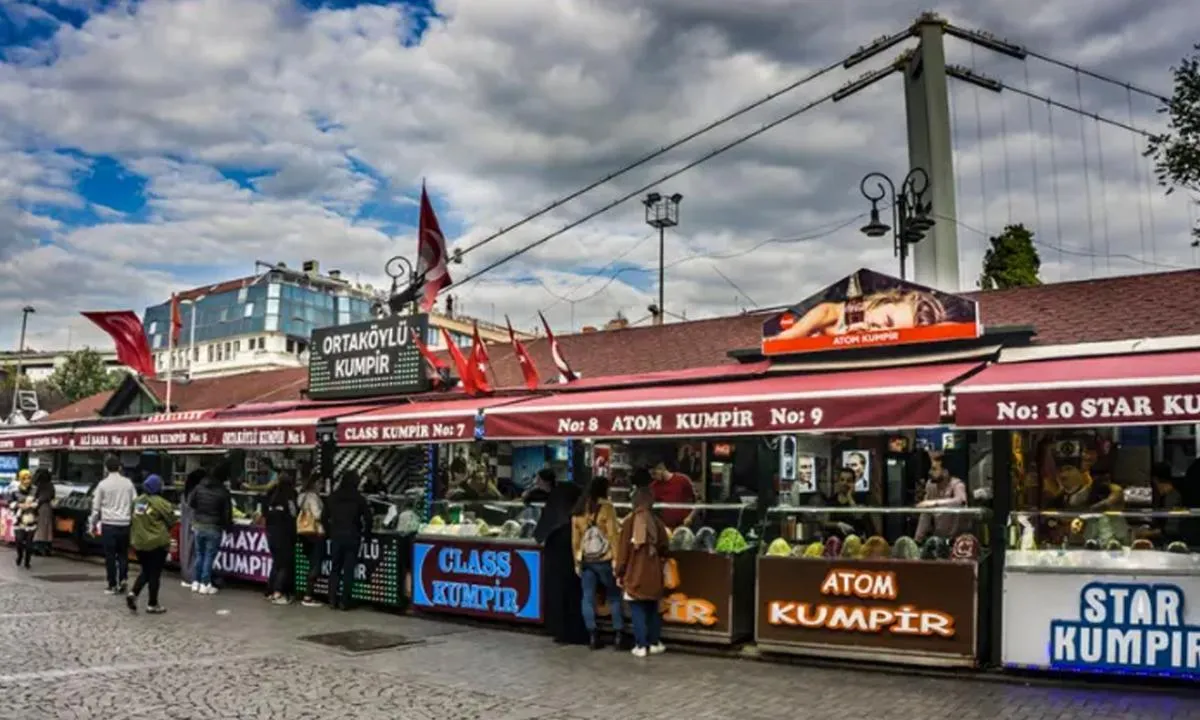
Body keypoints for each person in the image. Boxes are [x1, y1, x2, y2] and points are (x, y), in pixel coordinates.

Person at [615, 486, 669, 658]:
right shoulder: (657, 521)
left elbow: (623, 551)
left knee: (637, 609)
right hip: (654, 573)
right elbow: (664, 546)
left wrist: (619, 572)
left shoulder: (629, 522)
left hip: (634, 572)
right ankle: (654, 642)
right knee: (653, 608)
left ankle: (641, 645)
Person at [571, 476, 624, 650]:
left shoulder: (578, 509)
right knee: (614, 597)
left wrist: (577, 562)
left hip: (586, 560)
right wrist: (617, 559)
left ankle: (593, 635)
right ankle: (618, 636)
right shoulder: (607, 508)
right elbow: (613, 535)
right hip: (604, 560)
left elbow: (575, 541)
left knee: (587, 598)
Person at [535, 470, 587, 644]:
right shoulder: (570, 507)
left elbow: (542, 530)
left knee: (559, 593)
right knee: (574, 593)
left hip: (556, 555)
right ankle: (576, 631)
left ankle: (561, 631)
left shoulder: (555, 504)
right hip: (572, 557)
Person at [774, 288, 948, 339]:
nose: (881, 328)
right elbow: (827, 311)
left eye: (892, 331)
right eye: (887, 320)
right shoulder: (859, 310)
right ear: (884, 302)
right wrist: (797, 332)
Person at [126, 474, 176, 614]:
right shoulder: (161, 503)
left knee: (146, 571)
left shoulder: (137, 501)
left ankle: (133, 593)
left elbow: (132, 517)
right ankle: (152, 604)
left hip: (139, 542)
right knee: (154, 574)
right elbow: (172, 520)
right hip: (157, 543)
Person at [322, 470, 372, 611]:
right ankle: (345, 601)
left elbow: (323, 517)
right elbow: (368, 518)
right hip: (352, 536)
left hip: (336, 535)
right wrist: (366, 534)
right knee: (349, 570)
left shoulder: (333, 497)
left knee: (335, 568)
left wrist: (329, 532)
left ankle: (332, 599)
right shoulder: (359, 498)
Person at [90, 454, 136, 595]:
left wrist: (93, 524)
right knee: (123, 554)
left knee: (110, 555)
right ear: (120, 467)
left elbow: (96, 507)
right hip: (125, 523)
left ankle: (112, 584)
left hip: (109, 524)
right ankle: (123, 579)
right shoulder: (128, 483)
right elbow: (135, 501)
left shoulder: (102, 485)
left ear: (106, 468)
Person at [190, 462, 233, 595]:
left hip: (198, 525)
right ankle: (205, 583)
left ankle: (195, 582)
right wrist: (228, 528)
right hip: (214, 527)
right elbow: (227, 514)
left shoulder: (199, 487)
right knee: (209, 556)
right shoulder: (223, 492)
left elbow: (191, 503)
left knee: (199, 554)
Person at [915, 454, 969, 543]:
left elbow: (960, 501)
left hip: (959, 539)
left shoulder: (957, 484)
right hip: (939, 538)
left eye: (934, 469)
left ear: (945, 471)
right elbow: (925, 514)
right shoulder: (930, 485)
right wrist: (918, 539)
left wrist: (934, 502)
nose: (930, 472)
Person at [264, 470, 299, 605]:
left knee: (276, 563)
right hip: (285, 534)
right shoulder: (290, 496)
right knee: (284, 564)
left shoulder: (272, 494)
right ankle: (278, 593)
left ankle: (270, 591)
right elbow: (293, 515)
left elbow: (265, 514)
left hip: (271, 533)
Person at [1137, 462, 1187, 545]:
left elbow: (1171, 529)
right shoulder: (1166, 496)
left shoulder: (1173, 497)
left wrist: (1147, 533)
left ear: (1155, 480)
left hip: (1171, 544)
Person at [297, 474, 326, 607]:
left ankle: (307, 593)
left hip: (304, 532)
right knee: (315, 563)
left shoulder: (301, 496)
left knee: (310, 562)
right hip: (315, 532)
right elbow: (317, 514)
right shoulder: (313, 497)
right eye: (320, 483)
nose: (322, 486)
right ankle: (308, 595)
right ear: (314, 484)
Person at [178, 468, 206, 588]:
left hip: (185, 524)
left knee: (186, 551)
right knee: (195, 552)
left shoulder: (184, 494)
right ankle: (193, 577)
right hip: (195, 524)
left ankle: (186, 576)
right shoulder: (197, 494)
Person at [650, 460, 696, 529]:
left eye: (654, 473)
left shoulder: (682, 480)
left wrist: (690, 517)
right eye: (651, 474)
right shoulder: (653, 487)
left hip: (684, 526)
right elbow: (653, 510)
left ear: (661, 469)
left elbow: (699, 502)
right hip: (666, 529)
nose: (653, 477)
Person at [11, 470, 37, 569]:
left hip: (31, 518)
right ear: (20, 479)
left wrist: (34, 505)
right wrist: (19, 505)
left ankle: (27, 561)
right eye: (24, 478)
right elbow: (10, 503)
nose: (27, 480)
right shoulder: (15, 490)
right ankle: (20, 555)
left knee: (30, 543)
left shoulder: (35, 490)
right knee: (19, 540)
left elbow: (38, 501)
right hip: (19, 519)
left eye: (29, 478)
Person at [32, 469, 55, 556]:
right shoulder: (50, 485)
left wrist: (35, 502)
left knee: (39, 528)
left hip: (39, 507)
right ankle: (45, 547)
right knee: (46, 528)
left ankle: (38, 547)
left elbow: (37, 496)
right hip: (46, 507)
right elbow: (51, 496)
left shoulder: (38, 485)